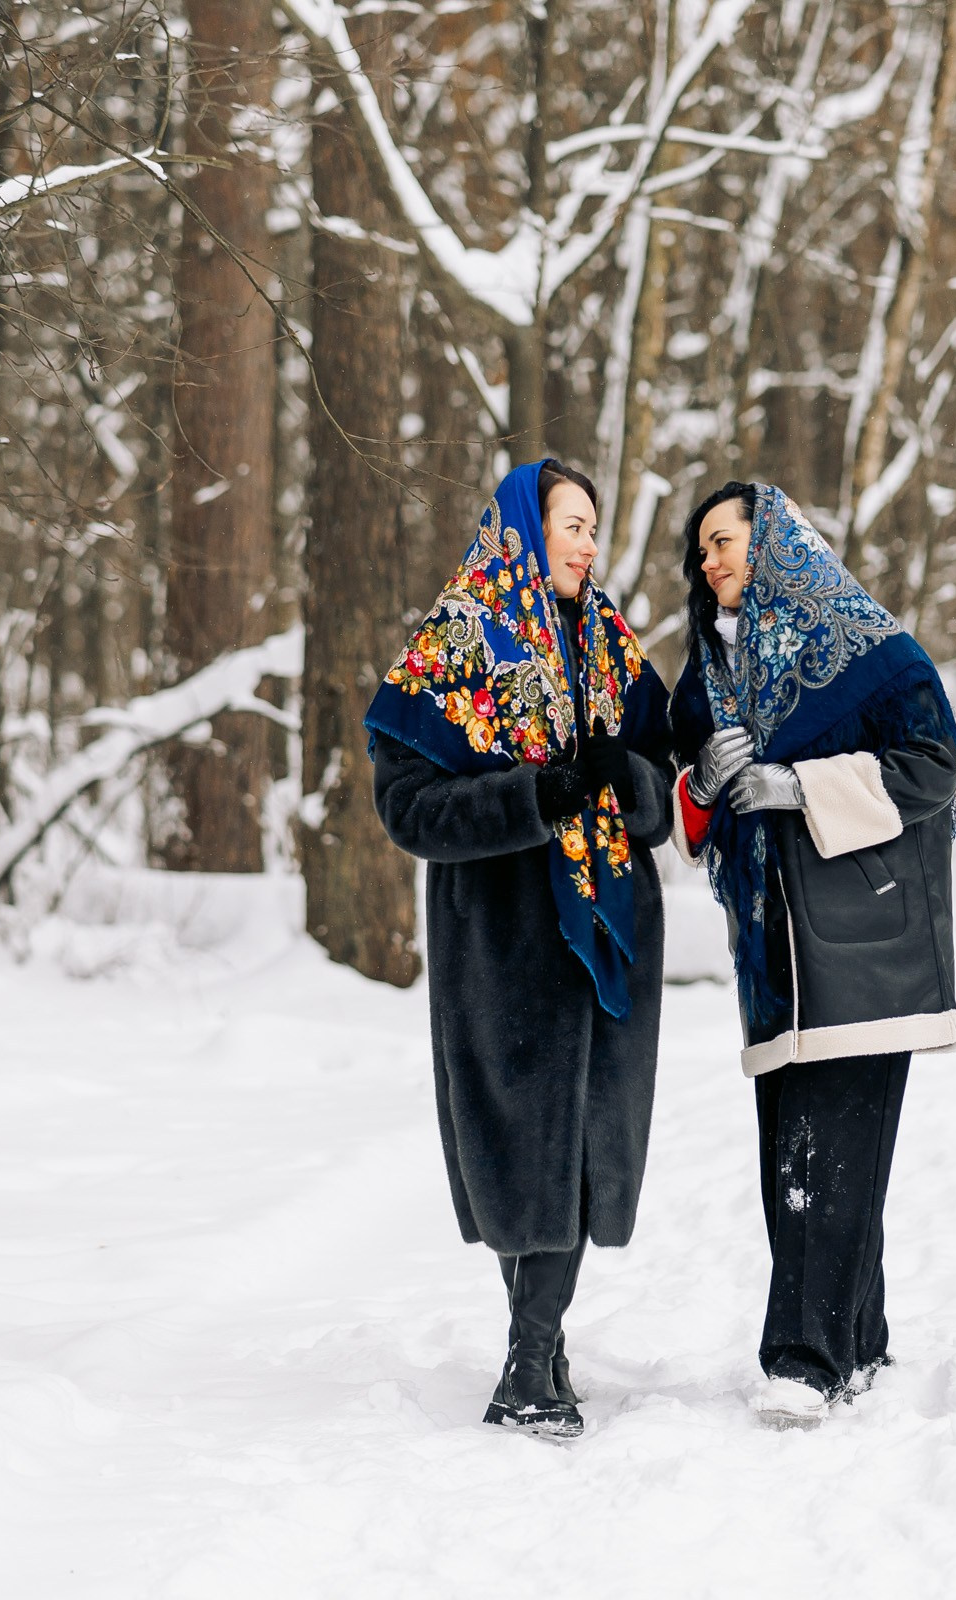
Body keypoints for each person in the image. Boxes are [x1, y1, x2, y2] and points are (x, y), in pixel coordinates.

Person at [366, 459, 674, 1440]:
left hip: (606, 928)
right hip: (501, 937)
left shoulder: (607, 641)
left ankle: (534, 1352)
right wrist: (536, 794)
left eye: (594, 526)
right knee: (524, 1155)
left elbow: (657, 772)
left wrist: (626, 775)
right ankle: (532, 1355)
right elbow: (407, 808)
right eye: (572, 524)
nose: (589, 543)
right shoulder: (458, 640)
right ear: (522, 528)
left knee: (578, 1148)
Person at [667, 481, 956, 1430]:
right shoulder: (702, 679)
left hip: (867, 938)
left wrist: (798, 785)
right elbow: (692, 807)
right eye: (700, 548)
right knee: (791, 1164)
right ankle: (861, 1338)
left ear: (779, 544)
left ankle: (803, 1357)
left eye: (726, 541)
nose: (710, 560)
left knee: (829, 1158)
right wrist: (704, 783)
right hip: (772, 956)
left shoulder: (873, 650)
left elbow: (935, 766)